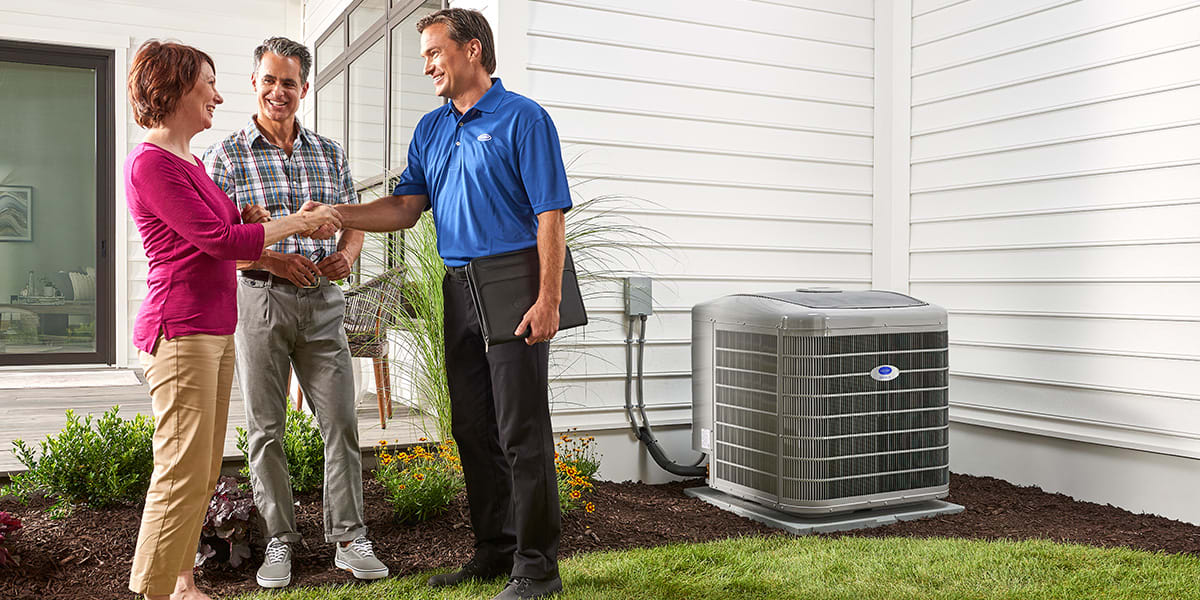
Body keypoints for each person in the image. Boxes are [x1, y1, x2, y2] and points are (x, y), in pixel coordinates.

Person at [320, 8, 571, 600]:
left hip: (515, 281)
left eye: (435, 52)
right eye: (425, 54)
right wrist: (339, 214)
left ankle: (538, 568)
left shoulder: (523, 119)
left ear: (473, 51)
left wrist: (549, 299)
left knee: (521, 430)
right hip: (458, 288)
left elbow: (550, 213)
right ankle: (495, 549)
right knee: (472, 425)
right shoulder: (431, 130)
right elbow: (407, 207)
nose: (427, 64)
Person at [124, 40, 340, 600]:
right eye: (208, 85)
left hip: (214, 327)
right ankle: (152, 591)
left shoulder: (191, 162)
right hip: (181, 329)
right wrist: (292, 223)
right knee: (179, 470)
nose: (218, 96)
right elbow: (221, 242)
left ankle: (181, 586)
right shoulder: (151, 164)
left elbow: (226, 227)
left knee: (200, 470)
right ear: (174, 89)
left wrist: (248, 214)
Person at [202, 37, 386, 589]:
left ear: (304, 88)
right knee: (266, 429)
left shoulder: (329, 152)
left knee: (341, 422)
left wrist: (349, 255)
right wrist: (275, 261)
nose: (278, 91)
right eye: (269, 80)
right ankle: (279, 537)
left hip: (324, 305)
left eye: (289, 82)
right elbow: (219, 238)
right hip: (260, 299)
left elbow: (354, 217)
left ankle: (349, 538)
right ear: (254, 83)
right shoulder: (227, 155)